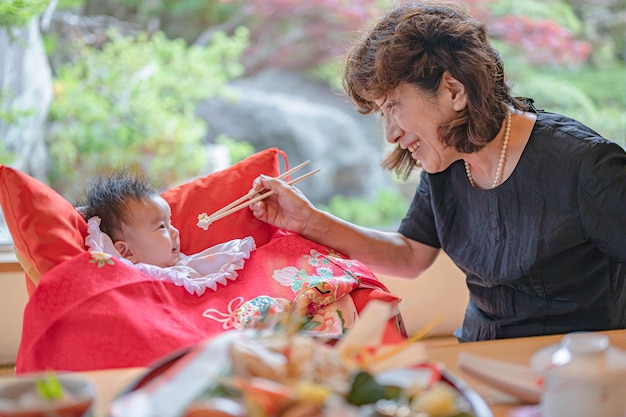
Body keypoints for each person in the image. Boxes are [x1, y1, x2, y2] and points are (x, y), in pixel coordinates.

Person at [249, 1, 626, 341]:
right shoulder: (448, 160)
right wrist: (309, 221)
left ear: (453, 90)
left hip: (578, 371)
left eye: (393, 105)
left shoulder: (585, 166)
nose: (391, 133)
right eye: (382, 112)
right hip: (482, 358)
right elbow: (411, 254)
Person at [77, 169, 255, 296]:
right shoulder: (131, 281)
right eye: (162, 227)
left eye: (170, 223)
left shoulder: (187, 267)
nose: (176, 232)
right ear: (126, 252)